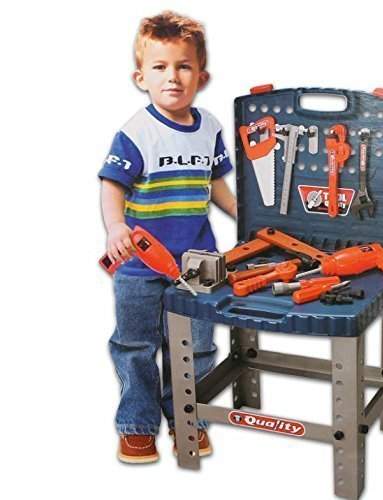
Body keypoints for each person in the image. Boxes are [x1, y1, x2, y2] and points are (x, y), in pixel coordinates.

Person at [99, 10, 236, 464]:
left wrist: (246, 215)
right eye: (159, 67)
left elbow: (216, 184)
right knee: (136, 345)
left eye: (183, 66)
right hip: (139, 266)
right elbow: (112, 186)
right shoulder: (135, 133)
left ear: (202, 76)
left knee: (197, 346)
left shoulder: (210, 128)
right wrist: (116, 227)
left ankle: (187, 420)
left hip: (198, 263)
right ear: (141, 77)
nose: (172, 77)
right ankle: (137, 425)